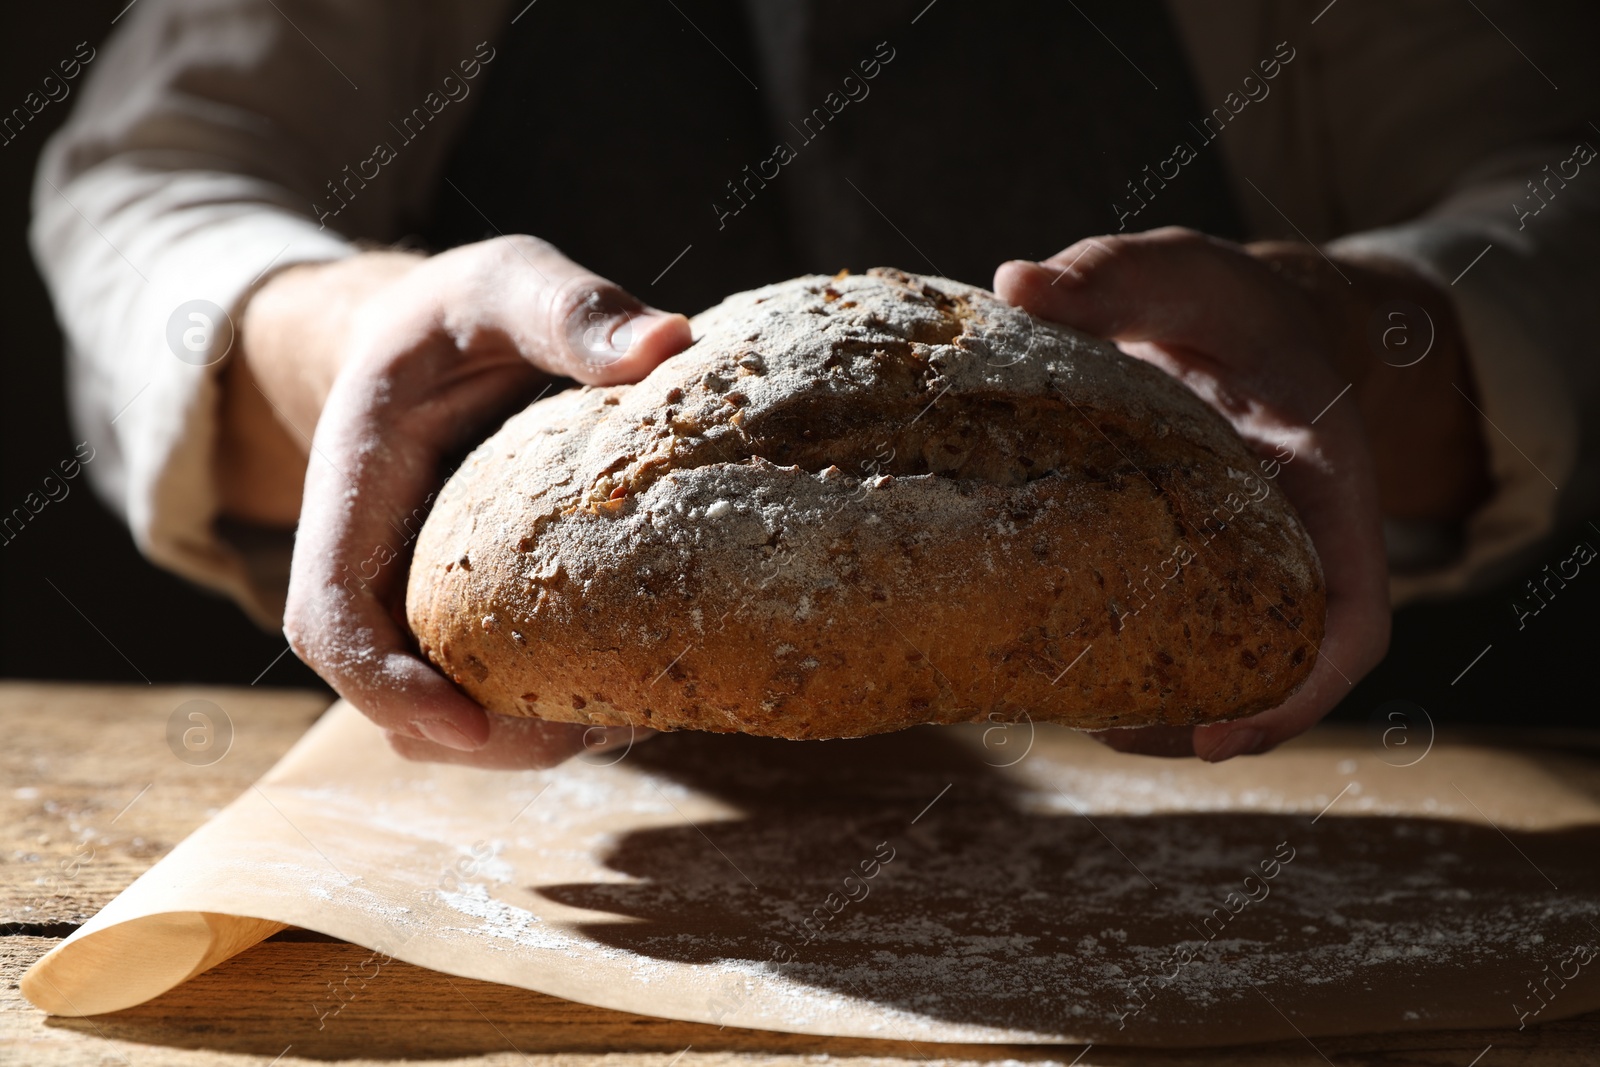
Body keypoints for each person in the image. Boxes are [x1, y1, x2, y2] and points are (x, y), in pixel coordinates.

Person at [31, 0, 1600, 766]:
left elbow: (1557, 181)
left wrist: (1347, 329)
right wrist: (353, 332)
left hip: (1284, 809)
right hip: (539, 816)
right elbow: (145, 182)